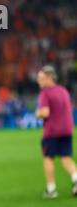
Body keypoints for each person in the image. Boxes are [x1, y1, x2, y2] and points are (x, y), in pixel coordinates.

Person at [35, 65, 77, 198]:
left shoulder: (45, 93)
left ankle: (51, 189)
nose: (39, 81)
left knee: (48, 158)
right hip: (67, 129)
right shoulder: (63, 90)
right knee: (66, 158)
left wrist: (38, 113)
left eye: (41, 78)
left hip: (52, 131)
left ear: (49, 78)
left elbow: (45, 112)